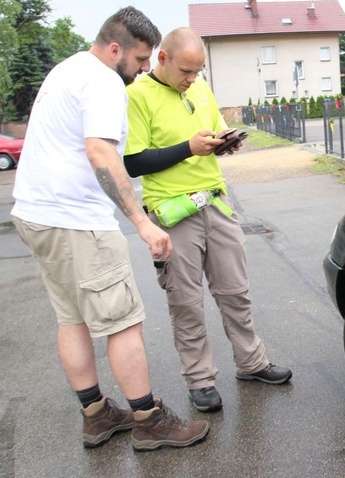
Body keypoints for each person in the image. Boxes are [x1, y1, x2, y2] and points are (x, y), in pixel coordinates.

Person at [11, 7, 209, 451]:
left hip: (36, 213)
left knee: (72, 317)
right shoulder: (102, 81)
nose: (143, 70)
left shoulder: (66, 70)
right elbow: (101, 153)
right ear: (116, 48)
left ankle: (97, 415)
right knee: (123, 322)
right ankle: (148, 420)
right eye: (140, 60)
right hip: (77, 221)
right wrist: (140, 221)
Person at [124, 27, 292, 413]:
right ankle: (200, 380)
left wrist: (224, 143)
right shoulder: (136, 96)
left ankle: (252, 363)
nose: (191, 79)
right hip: (171, 211)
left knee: (235, 291)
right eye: (185, 71)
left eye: (198, 71)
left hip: (216, 202)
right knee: (186, 302)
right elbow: (133, 162)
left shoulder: (200, 89)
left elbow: (211, 135)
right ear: (162, 59)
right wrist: (189, 148)